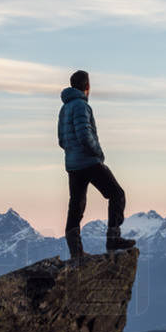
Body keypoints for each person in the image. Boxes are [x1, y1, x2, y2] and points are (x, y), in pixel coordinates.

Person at [58, 70, 135, 259]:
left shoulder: (64, 108)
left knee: (76, 205)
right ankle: (113, 239)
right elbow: (85, 134)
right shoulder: (81, 106)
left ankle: (76, 252)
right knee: (117, 194)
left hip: (73, 164)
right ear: (87, 87)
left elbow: (61, 139)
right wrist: (97, 152)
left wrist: (72, 153)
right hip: (89, 161)